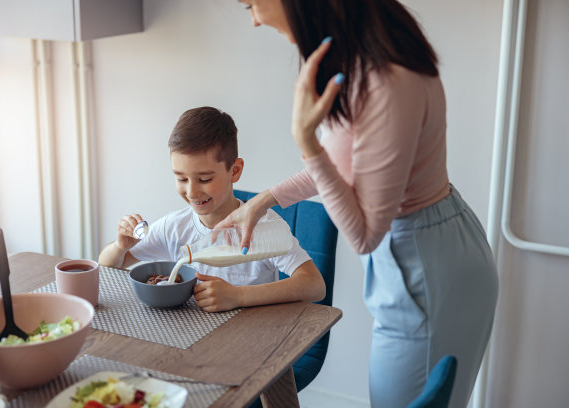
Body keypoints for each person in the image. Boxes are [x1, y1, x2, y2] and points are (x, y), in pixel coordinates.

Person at [219, 1, 499, 407]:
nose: (255, 19)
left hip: (426, 265)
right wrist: (262, 201)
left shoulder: (388, 81)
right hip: (423, 249)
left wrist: (306, 141)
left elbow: (365, 235)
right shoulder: (355, 58)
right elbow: (348, 166)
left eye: (251, 4)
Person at [98, 106, 325, 313]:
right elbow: (108, 266)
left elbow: (315, 286)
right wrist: (120, 246)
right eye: (181, 178)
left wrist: (239, 296)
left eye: (204, 179)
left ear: (234, 171)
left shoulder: (262, 228)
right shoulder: (174, 228)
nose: (192, 192)